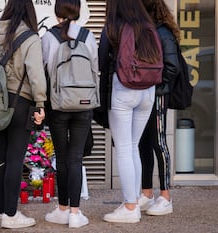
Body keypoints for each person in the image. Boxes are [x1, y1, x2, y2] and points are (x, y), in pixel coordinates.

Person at [0, 0, 47, 229]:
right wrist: (40, 102)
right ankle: (11, 215)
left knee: (1, 157)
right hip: (21, 102)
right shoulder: (29, 38)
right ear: (29, 11)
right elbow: (36, 74)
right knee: (15, 158)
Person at [98, 0, 162, 223]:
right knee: (133, 145)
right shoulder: (148, 25)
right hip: (149, 90)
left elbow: (101, 61)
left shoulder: (113, 26)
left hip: (124, 88)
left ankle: (130, 207)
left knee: (124, 148)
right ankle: (132, 199)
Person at [41, 0, 98, 228]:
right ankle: (75, 213)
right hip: (84, 104)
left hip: (58, 104)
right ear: (78, 11)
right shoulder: (88, 36)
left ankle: (63, 208)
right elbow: (95, 67)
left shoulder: (48, 37)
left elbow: (44, 68)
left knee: (62, 157)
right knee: (75, 157)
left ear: (56, 14)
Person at [137, 0, 181, 216]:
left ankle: (165, 196)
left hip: (157, 95)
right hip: (145, 95)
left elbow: (173, 67)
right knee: (143, 143)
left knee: (158, 142)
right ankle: (146, 193)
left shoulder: (162, 32)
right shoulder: (148, 31)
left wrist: (157, 90)